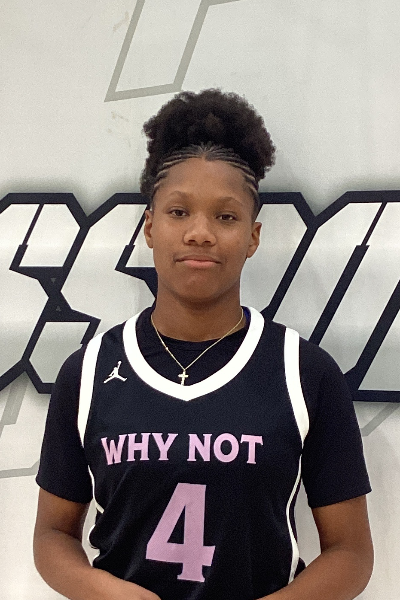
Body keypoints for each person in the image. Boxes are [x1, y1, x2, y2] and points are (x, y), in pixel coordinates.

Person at [33, 89, 373, 600]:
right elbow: (52, 535)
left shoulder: (304, 372)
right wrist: (104, 592)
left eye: (226, 217)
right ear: (150, 227)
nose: (200, 233)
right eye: (178, 212)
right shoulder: (89, 371)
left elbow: (351, 552)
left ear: (253, 237)